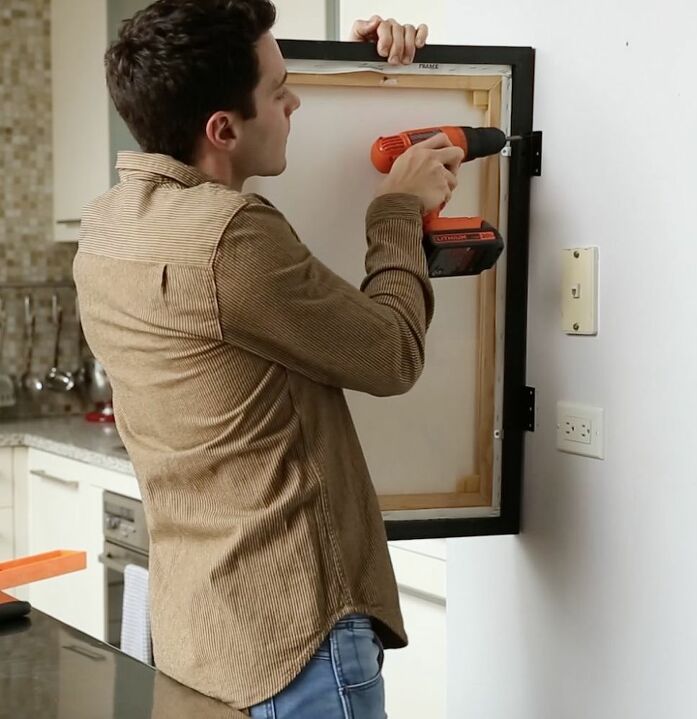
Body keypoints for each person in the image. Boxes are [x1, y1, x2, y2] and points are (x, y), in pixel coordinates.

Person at [74, 2, 463, 717]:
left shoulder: (106, 228)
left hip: (204, 633)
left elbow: (262, 257)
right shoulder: (234, 240)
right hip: (300, 642)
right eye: (280, 89)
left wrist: (354, 70)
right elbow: (392, 354)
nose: (295, 100)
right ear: (222, 127)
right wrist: (397, 211)